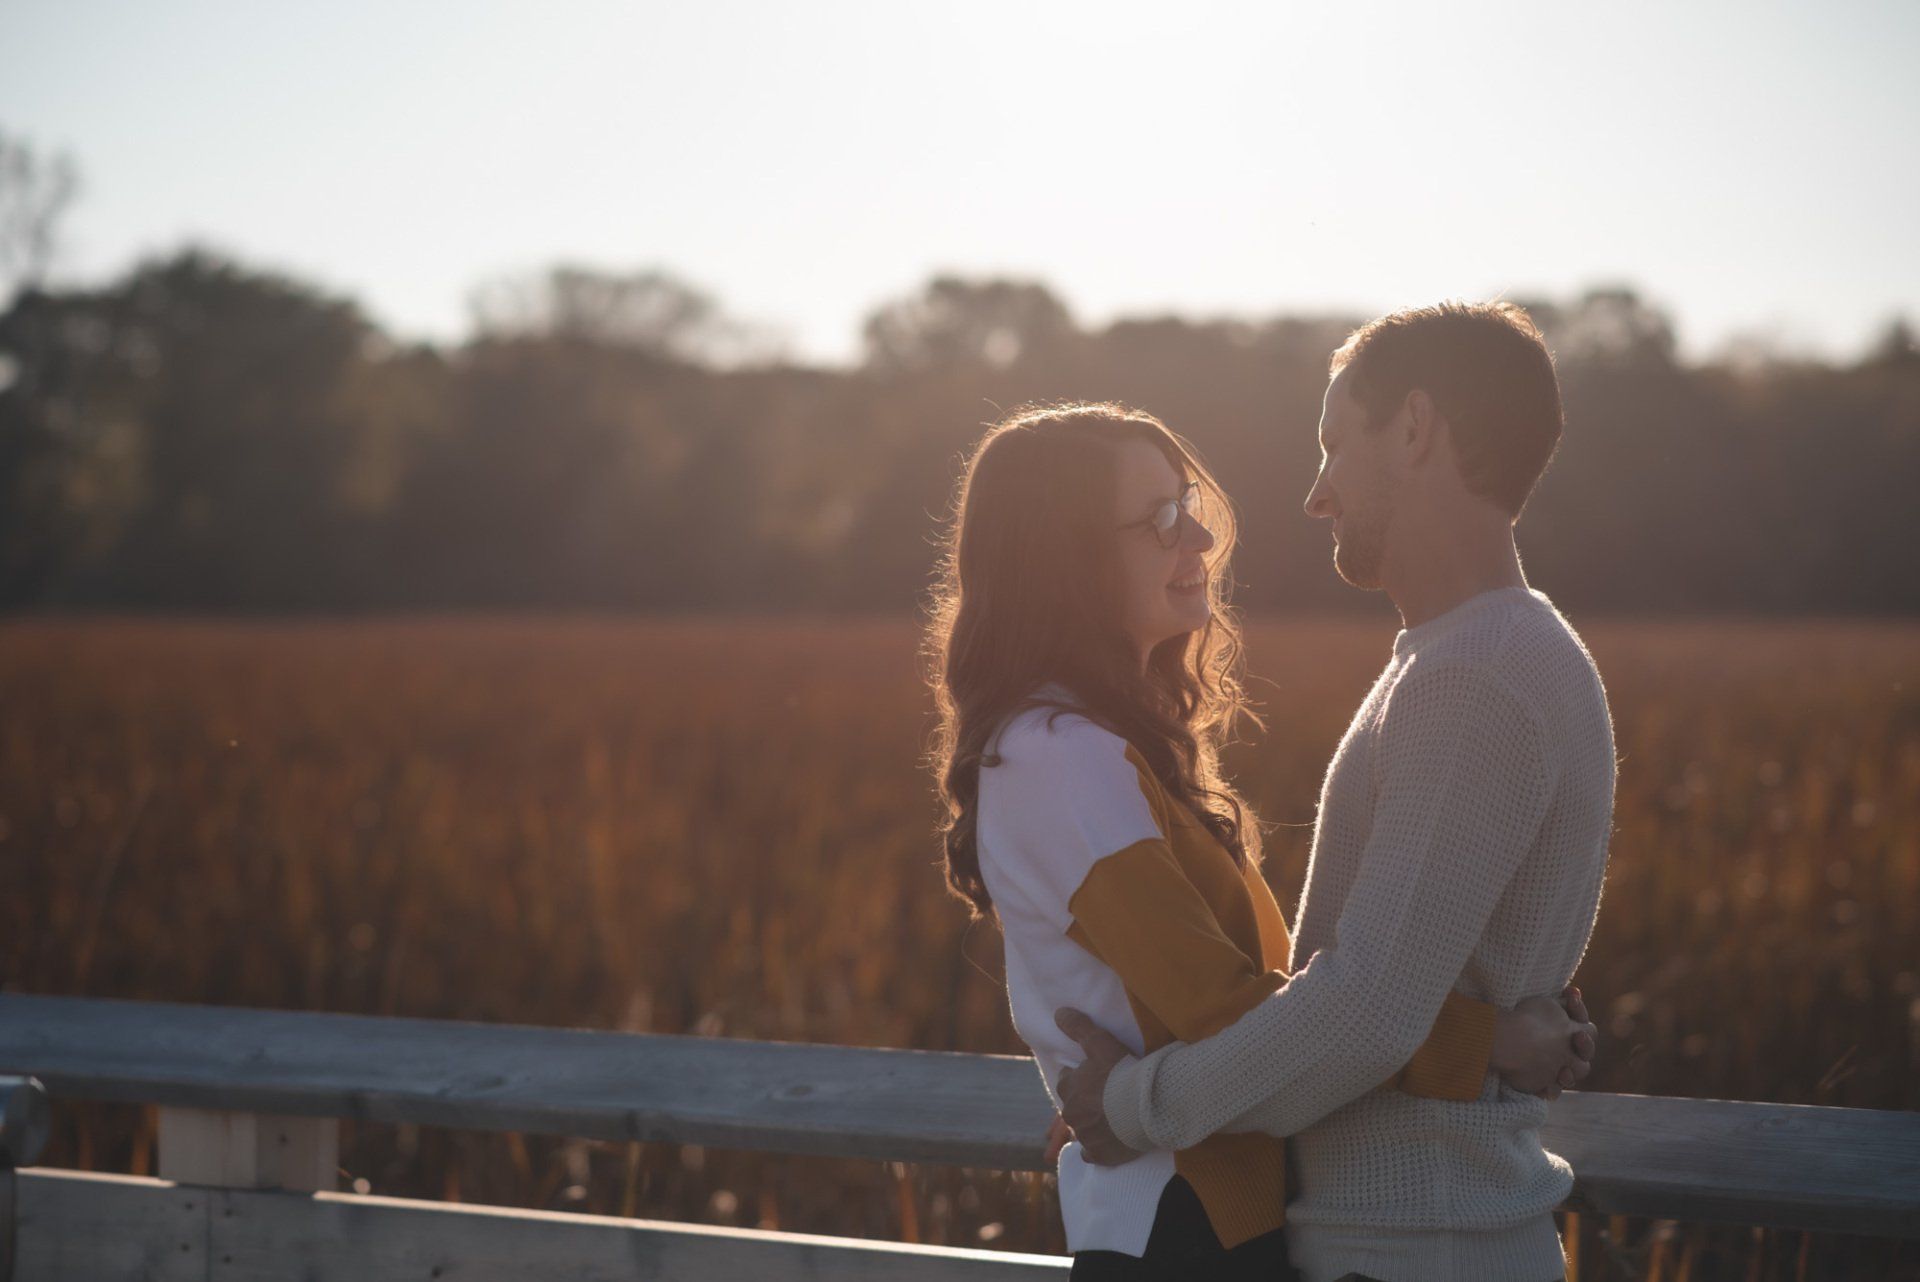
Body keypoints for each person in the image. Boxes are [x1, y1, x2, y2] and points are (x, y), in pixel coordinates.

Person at [925, 398, 1595, 1280]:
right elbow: (1230, 1012)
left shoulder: (1097, 747)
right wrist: (1488, 1045)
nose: (1197, 542)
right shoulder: (1058, 758)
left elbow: (1227, 1016)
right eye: (1159, 521)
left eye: (1189, 507)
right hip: (1179, 1230)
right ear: (1064, 561)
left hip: (1207, 1213)